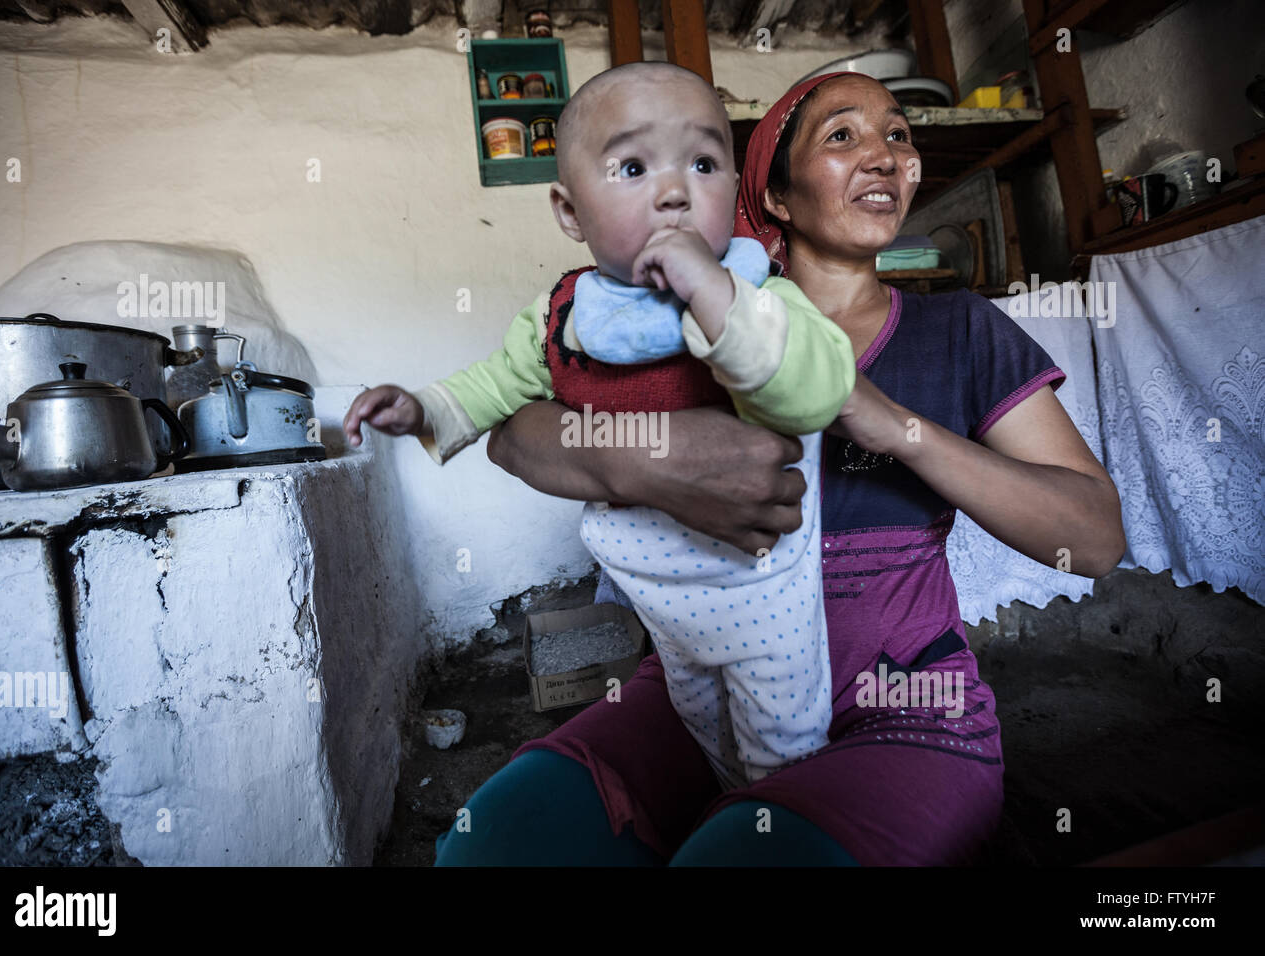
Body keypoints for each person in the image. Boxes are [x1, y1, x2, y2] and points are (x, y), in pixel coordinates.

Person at [428, 68, 1126, 867]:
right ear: (780, 198)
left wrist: (886, 420)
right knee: (496, 847)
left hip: (901, 704)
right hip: (699, 686)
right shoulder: (676, 313)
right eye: (842, 137)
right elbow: (512, 435)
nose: (885, 156)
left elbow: (1095, 538)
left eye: (898, 135)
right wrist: (649, 463)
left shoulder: (963, 330)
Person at [343, 62, 858, 789]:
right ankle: (725, 804)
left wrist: (714, 294)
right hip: (654, 597)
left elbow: (816, 391)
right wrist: (423, 407)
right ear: (570, 213)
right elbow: (498, 386)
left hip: (761, 595)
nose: (675, 191)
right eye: (633, 166)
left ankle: (777, 824)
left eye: (704, 163)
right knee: (703, 727)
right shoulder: (564, 316)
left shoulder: (761, 294)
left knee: (783, 755)